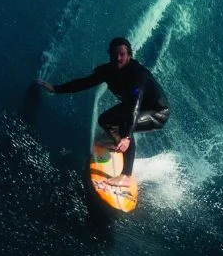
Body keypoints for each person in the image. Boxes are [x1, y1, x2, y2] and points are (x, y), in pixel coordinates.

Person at [39, 37, 169, 177]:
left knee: (125, 127)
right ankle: (117, 142)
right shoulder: (108, 71)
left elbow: (135, 104)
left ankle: (126, 176)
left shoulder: (138, 74)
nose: (118, 58)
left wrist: (127, 137)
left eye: (122, 55)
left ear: (129, 55)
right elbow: (84, 83)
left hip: (157, 112)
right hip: (135, 107)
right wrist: (56, 89)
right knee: (105, 120)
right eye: (114, 54)